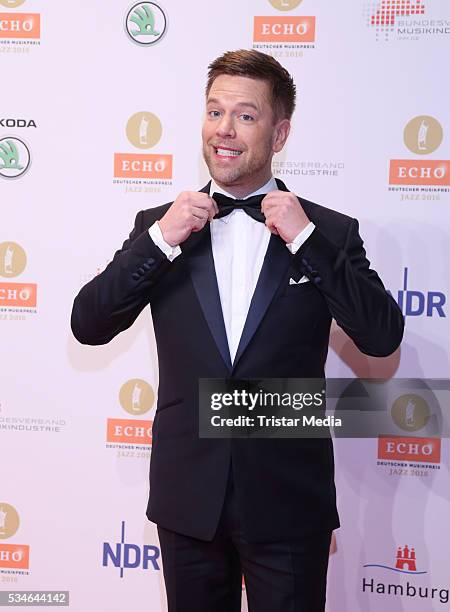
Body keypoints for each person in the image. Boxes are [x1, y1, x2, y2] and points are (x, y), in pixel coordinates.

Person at [71, 49, 404, 612]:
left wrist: (306, 240)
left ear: (280, 134)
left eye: (246, 116)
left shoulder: (329, 232)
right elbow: (88, 324)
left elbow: (380, 336)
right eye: (214, 112)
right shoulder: (160, 227)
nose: (223, 130)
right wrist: (159, 242)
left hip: (288, 499)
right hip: (187, 499)